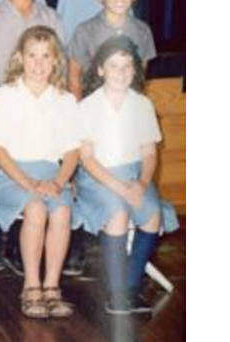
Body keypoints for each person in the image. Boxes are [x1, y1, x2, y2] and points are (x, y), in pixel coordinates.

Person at [75, 36, 179, 314]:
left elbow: (148, 153)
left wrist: (143, 182)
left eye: (127, 66)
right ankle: (115, 291)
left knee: (151, 213)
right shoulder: (88, 106)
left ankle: (131, 287)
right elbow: (87, 158)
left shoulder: (142, 104)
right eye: (113, 66)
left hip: (133, 175)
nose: (120, 73)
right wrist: (120, 189)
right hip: (98, 178)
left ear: (135, 70)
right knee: (118, 215)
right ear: (100, 70)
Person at [0, 26, 80, 319]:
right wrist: (28, 182)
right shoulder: (4, 95)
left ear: (56, 60)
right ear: (20, 57)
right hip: (12, 173)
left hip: (53, 175)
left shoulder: (65, 100)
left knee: (62, 212)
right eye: (32, 55)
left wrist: (58, 182)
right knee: (36, 208)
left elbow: (71, 152)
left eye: (46, 56)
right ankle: (31, 285)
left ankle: (52, 287)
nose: (39, 64)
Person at [66, 0, 157, 98]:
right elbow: (73, 78)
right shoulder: (84, 32)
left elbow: (139, 77)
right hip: (93, 109)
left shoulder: (143, 31)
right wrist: (81, 114)